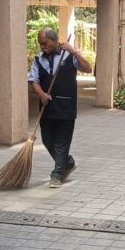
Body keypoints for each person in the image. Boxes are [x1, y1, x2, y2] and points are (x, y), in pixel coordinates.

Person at [27, 28, 92, 188]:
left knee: (61, 143)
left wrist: (74, 52)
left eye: (45, 43)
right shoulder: (38, 59)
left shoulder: (68, 55)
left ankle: (57, 174)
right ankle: (67, 162)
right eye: (40, 44)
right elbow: (33, 80)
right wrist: (41, 94)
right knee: (48, 140)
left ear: (55, 40)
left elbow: (88, 68)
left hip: (66, 107)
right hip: (46, 107)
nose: (43, 46)